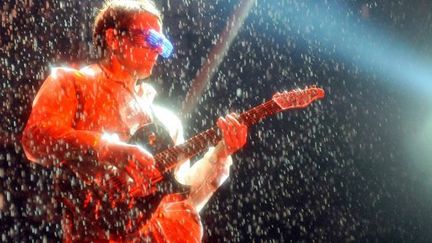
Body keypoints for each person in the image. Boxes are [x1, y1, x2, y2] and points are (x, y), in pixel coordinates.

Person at [21, 0, 247, 242]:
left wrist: (220, 155)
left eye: (164, 44)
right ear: (113, 38)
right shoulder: (72, 83)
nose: (159, 50)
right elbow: (35, 140)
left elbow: (183, 200)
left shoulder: (168, 122)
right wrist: (105, 148)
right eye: (152, 39)